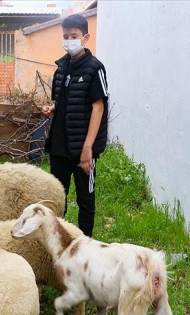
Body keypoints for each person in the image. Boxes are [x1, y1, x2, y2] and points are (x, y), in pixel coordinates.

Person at [42, 13, 109, 237]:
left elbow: (98, 108)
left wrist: (88, 149)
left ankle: (85, 247)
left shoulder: (94, 68)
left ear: (85, 37)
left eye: (74, 36)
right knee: (57, 199)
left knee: (85, 200)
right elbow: (62, 99)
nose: (69, 40)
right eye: (66, 36)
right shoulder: (61, 68)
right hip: (59, 147)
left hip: (82, 148)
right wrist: (54, 109)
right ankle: (59, 245)